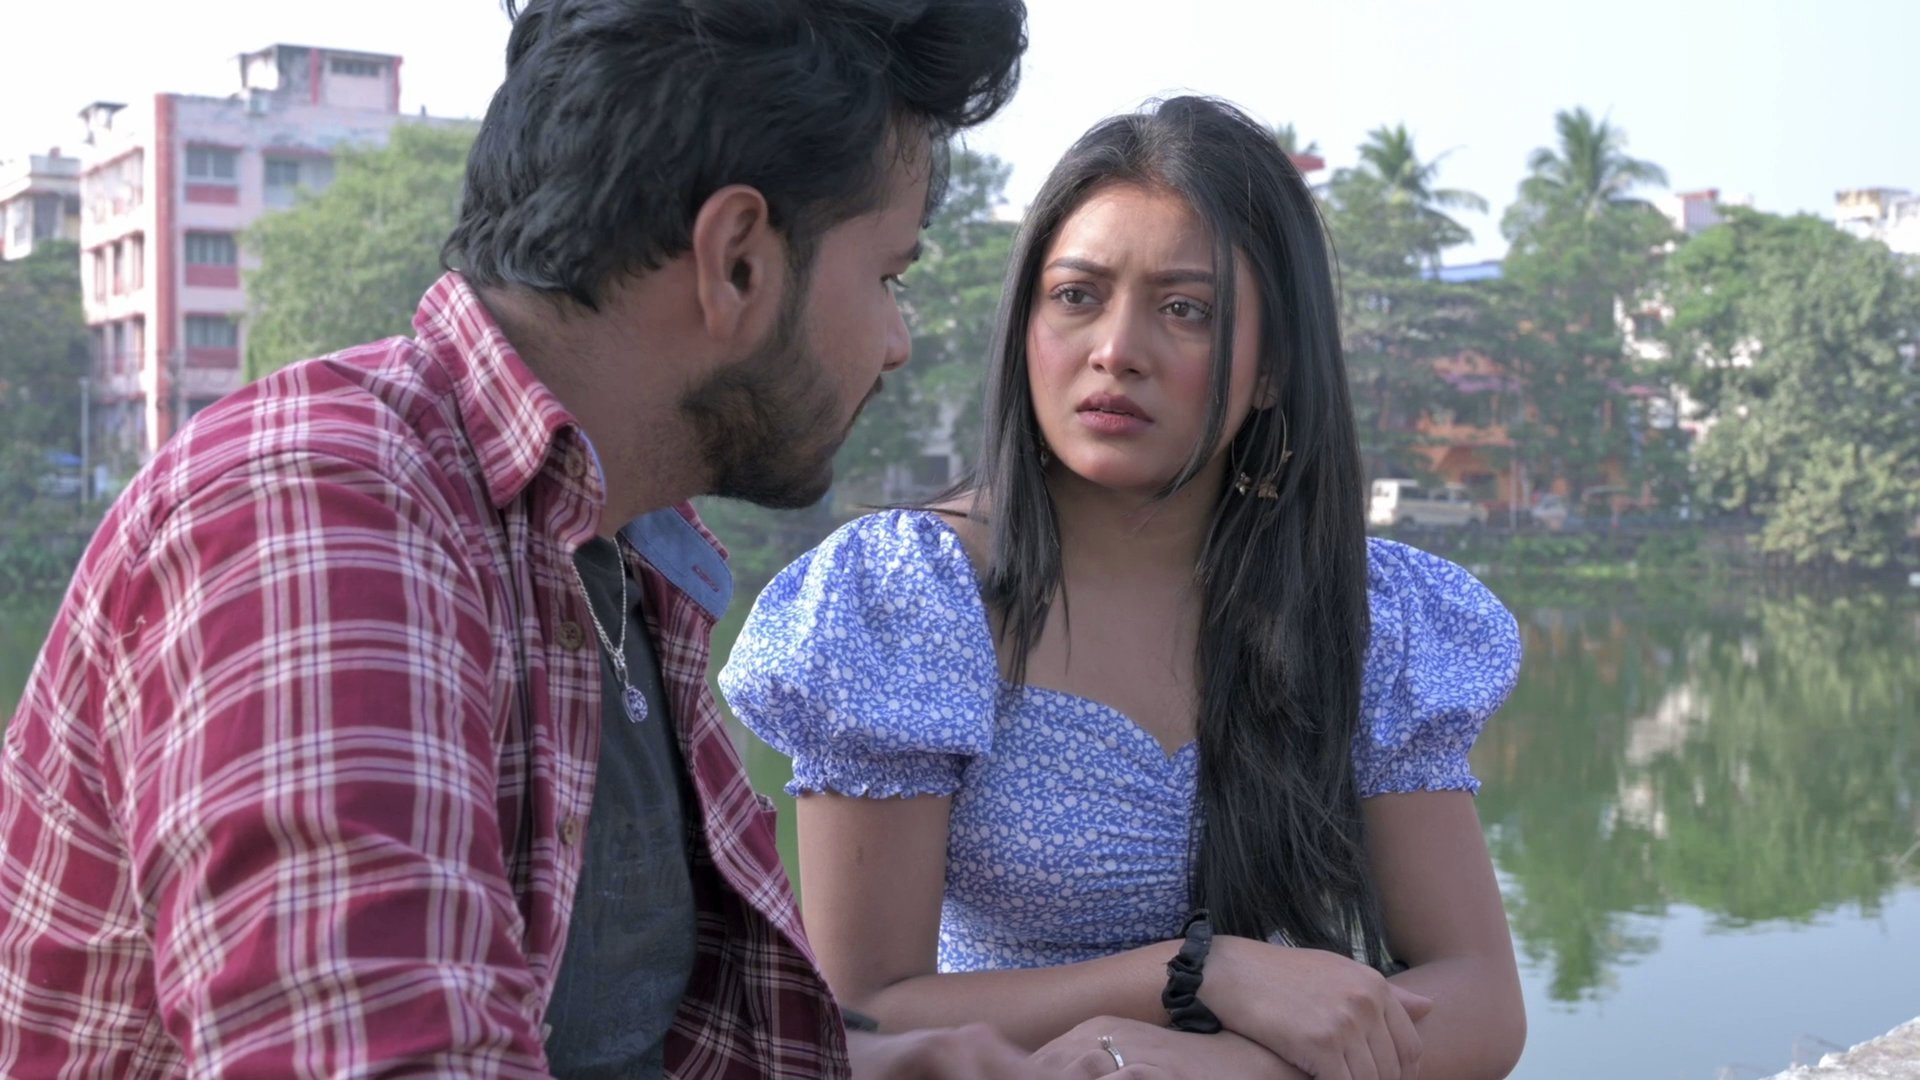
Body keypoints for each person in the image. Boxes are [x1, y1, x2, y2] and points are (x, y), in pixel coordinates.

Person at [0, 2, 1111, 1077]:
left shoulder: (620, 549)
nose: (898, 342)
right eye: (888, 277)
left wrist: (908, 1063)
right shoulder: (319, 519)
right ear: (736, 260)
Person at [721, 96, 1529, 1079]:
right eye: (1077, 295)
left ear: (1274, 367)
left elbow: (1480, 998)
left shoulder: (1366, 616)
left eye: (1185, 309)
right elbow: (864, 1016)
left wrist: (1229, 1071)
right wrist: (1196, 973)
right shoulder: (911, 600)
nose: (1116, 349)